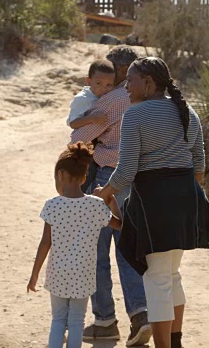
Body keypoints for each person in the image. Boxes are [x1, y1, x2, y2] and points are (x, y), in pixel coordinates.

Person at [94, 57, 209, 348]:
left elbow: (126, 171)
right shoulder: (187, 112)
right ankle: (175, 342)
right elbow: (199, 164)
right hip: (186, 199)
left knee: (157, 279)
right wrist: (184, 196)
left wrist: (102, 194)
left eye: (130, 80)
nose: (126, 86)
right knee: (171, 274)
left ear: (149, 83)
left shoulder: (136, 115)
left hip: (154, 202)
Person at [69, 46, 151, 346]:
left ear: (119, 70)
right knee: (129, 247)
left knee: (96, 251)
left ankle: (105, 320)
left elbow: (79, 137)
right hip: (141, 179)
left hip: (108, 178)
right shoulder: (152, 97)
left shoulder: (116, 98)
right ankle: (140, 314)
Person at [26, 142, 123, 348]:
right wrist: (112, 202)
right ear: (84, 177)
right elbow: (119, 225)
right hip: (84, 274)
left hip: (57, 273)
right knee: (77, 321)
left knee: (58, 320)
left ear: (60, 174)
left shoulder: (52, 205)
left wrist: (35, 274)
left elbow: (45, 243)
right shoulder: (96, 205)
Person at [67, 59, 115, 193]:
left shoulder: (108, 97)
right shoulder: (83, 99)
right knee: (81, 181)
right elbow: (73, 123)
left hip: (97, 150)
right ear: (88, 81)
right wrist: (92, 119)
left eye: (109, 85)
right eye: (98, 83)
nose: (104, 88)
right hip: (83, 149)